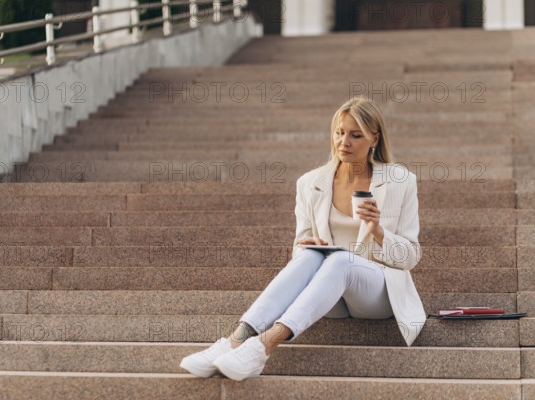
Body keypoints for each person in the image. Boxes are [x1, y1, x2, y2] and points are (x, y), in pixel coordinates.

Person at [179, 96, 427, 381]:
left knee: (340, 261)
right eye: (339, 132)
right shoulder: (310, 183)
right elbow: (301, 248)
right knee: (312, 255)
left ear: (374, 139)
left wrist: (378, 230)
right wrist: (308, 248)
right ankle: (236, 339)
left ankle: (264, 346)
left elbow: (410, 256)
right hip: (330, 295)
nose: (343, 141)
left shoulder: (400, 181)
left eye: (355, 135)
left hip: (378, 292)